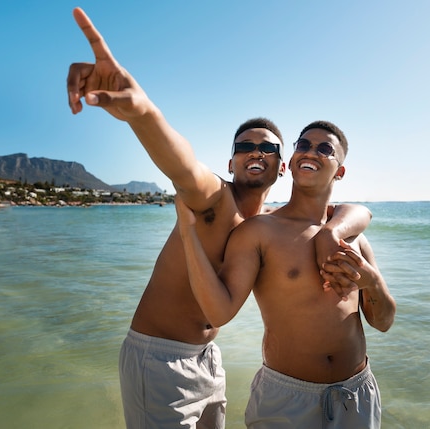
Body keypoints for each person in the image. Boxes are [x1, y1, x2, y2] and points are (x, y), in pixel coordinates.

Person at [67, 7, 373, 428]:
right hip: (159, 357)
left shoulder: (266, 224)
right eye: (245, 146)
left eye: (268, 149)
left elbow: (354, 210)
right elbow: (181, 162)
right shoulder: (210, 198)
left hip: (209, 358)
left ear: (281, 167)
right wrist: (142, 112)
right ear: (230, 162)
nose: (256, 153)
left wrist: (335, 230)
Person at [177, 120, 397, 428]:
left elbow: (383, 322)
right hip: (286, 397)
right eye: (303, 145)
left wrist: (372, 280)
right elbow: (219, 311)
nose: (311, 152)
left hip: (356, 394)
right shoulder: (258, 232)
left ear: (340, 171)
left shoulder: (353, 237)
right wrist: (188, 234)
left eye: (325, 149)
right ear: (291, 162)